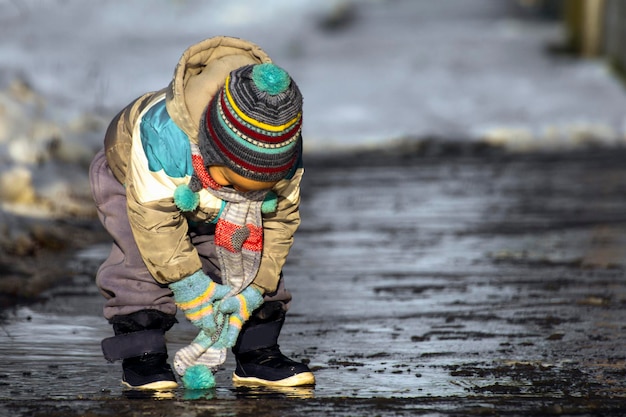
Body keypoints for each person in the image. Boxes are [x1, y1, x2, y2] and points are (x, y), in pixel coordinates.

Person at [89, 36, 314, 390]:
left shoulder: (284, 158)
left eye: (258, 190)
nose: (243, 193)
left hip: (204, 194)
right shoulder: (163, 138)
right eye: (234, 183)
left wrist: (254, 290)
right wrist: (191, 287)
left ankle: (258, 351)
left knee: (250, 255)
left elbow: (280, 226)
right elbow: (157, 225)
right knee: (140, 265)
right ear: (210, 149)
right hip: (137, 185)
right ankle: (143, 354)